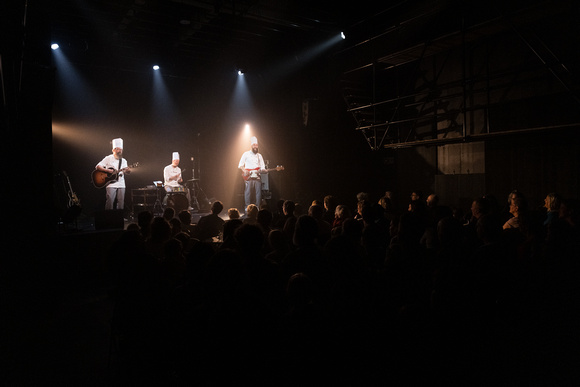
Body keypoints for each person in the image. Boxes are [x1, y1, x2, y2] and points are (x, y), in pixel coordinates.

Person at [95, 138, 131, 210]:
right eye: (118, 149)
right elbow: (97, 167)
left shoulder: (123, 160)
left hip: (121, 183)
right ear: (113, 150)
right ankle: (108, 217)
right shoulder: (108, 158)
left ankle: (119, 217)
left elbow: (126, 172)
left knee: (121, 202)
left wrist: (128, 171)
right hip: (111, 183)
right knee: (110, 200)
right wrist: (107, 170)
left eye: (121, 150)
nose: (120, 151)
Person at [238, 136, 267, 208]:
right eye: (254, 145)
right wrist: (244, 170)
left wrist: (264, 170)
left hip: (257, 176)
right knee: (248, 192)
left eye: (256, 145)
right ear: (251, 146)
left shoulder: (259, 156)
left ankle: (257, 207)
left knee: (258, 193)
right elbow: (240, 165)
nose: (255, 147)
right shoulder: (246, 154)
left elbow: (262, 167)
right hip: (248, 176)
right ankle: (247, 207)